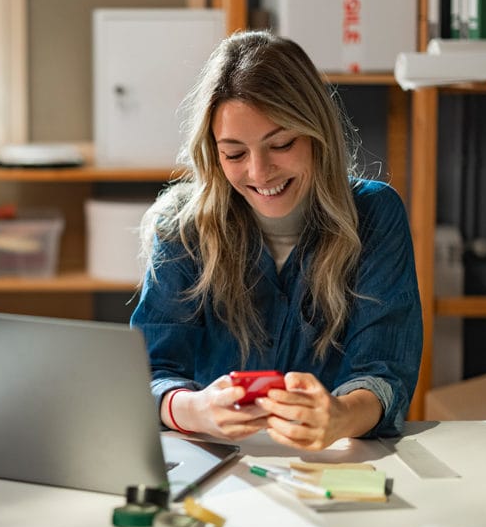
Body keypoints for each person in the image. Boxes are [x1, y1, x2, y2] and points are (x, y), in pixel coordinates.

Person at [131, 30, 422, 452]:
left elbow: (384, 371)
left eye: (281, 144)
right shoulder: (181, 227)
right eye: (234, 154)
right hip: (217, 466)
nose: (260, 172)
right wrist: (196, 409)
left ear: (316, 133)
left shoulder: (375, 215)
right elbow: (148, 372)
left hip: (332, 465)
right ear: (213, 154)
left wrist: (340, 416)